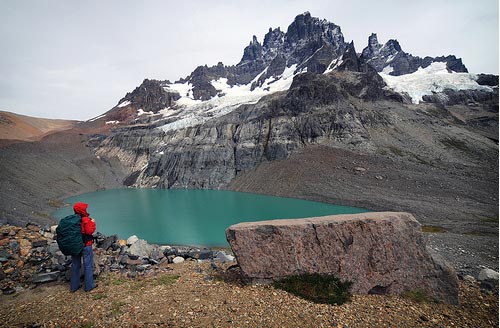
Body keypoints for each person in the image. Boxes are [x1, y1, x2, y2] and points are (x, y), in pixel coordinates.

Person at [70, 202, 97, 292]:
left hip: (75, 245)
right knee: (88, 265)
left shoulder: (72, 220)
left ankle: (74, 286)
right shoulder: (86, 219)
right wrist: (93, 223)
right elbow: (89, 231)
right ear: (82, 210)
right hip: (86, 245)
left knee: (75, 265)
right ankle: (89, 286)